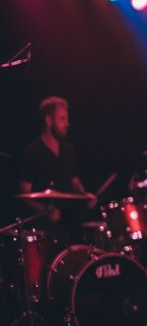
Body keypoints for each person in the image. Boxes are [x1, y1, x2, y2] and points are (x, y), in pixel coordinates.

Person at [17, 96, 96, 242]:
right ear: (48, 121)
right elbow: (25, 195)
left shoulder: (68, 149)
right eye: (62, 119)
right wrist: (45, 211)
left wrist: (85, 196)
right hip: (45, 227)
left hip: (70, 219)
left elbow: (75, 182)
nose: (67, 124)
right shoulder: (33, 152)